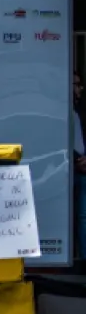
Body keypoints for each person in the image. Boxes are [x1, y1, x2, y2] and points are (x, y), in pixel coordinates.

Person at [73, 70, 85, 264]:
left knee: (83, 216)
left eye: (78, 84)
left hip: (82, 168)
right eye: (74, 84)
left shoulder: (82, 109)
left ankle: (83, 260)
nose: (78, 88)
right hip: (59, 167)